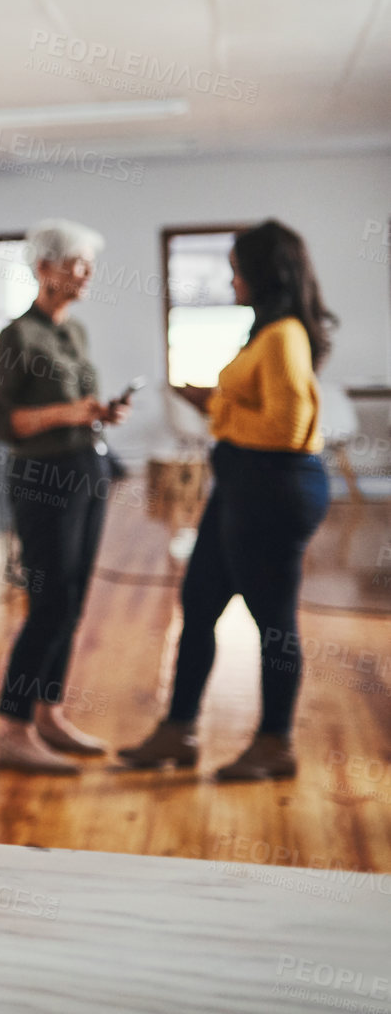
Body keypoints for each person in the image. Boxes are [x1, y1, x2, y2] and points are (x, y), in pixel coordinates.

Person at [119, 220, 335, 781]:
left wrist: (217, 410)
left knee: (273, 622)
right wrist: (219, 404)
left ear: (263, 272)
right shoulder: (267, 332)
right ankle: (178, 731)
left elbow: (288, 428)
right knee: (199, 600)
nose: (230, 278)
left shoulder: (285, 333)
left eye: (236, 267)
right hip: (242, 484)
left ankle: (275, 744)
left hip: (273, 490)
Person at [0, 219, 130, 773]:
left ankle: (50, 711)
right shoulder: (17, 336)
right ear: (44, 269)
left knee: (73, 601)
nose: (86, 274)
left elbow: (81, 402)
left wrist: (101, 411)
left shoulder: (76, 332)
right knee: (49, 603)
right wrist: (71, 412)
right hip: (43, 481)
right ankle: (14, 727)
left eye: (89, 264)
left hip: (87, 471)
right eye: (76, 264)